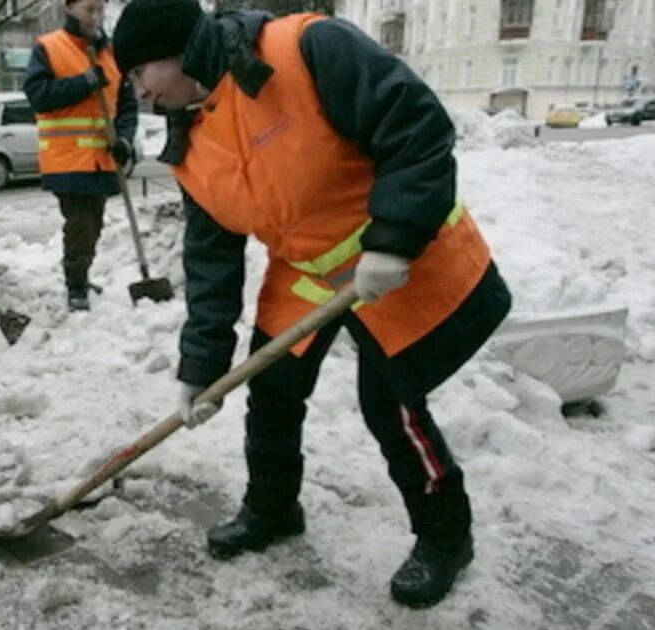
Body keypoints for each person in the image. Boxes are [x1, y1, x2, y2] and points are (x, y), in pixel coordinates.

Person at [112, 0, 513, 608]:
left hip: (402, 255)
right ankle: (273, 509)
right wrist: (202, 371)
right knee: (271, 388)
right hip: (310, 271)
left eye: (140, 73)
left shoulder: (305, 49)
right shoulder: (191, 145)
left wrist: (394, 237)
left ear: (178, 50)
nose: (138, 93)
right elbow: (212, 266)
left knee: (390, 404)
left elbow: (417, 127)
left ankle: (445, 537)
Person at [23, 0, 138, 311]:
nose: (96, 16)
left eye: (100, 9)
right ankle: (75, 286)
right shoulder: (49, 47)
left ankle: (81, 275)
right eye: (89, 9)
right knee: (80, 224)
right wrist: (84, 82)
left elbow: (127, 104)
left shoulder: (112, 53)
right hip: (66, 160)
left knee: (94, 224)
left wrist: (125, 141)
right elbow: (38, 96)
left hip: (102, 159)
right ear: (70, 7)